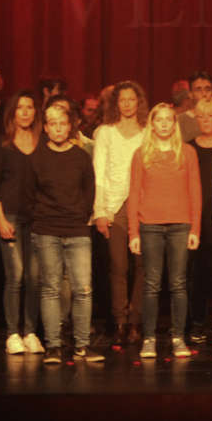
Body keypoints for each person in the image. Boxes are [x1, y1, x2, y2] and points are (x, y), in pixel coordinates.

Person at [27, 103, 102, 364]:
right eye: (53, 124)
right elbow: (30, 194)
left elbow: (89, 190)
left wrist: (81, 216)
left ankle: (82, 345)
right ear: (46, 128)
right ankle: (54, 345)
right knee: (50, 288)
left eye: (62, 123)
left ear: (70, 126)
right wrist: (42, 218)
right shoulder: (37, 157)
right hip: (47, 229)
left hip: (77, 229)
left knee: (82, 288)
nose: (58, 129)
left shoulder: (80, 156)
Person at [128, 103, 202, 359]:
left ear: (174, 123)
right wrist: (133, 233)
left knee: (179, 283)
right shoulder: (141, 154)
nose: (163, 124)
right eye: (158, 120)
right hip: (150, 225)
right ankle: (149, 338)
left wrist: (196, 228)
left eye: (168, 119)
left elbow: (195, 192)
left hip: (181, 225)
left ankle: (178, 338)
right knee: (151, 284)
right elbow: (134, 194)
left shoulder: (188, 153)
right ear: (152, 123)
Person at [91, 81, 149, 344]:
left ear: (139, 102)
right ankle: (119, 320)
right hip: (115, 207)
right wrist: (100, 211)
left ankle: (136, 319)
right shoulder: (105, 133)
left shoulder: (147, 132)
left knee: (142, 266)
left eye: (131, 99)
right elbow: (98, 175)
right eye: (122, 100)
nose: (127, 104)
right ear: (116, 103)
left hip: (144, 206)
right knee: (118, 266)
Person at [0, 91, 44, 355]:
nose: (25, 112)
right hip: (9, 215)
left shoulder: (42, 142)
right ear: (12, 113)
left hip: (36, 217)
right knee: (17, 275)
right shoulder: (3, 144)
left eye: (30, 107)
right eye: (20, 107)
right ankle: (12, 332)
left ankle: (30, 331)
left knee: (34, 277)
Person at [186, 97, 212, 343]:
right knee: (197, 275)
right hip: (196, 219)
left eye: (211, 116)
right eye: (201, 116)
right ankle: (197, 323)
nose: (206, 121)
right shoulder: (189, 148)